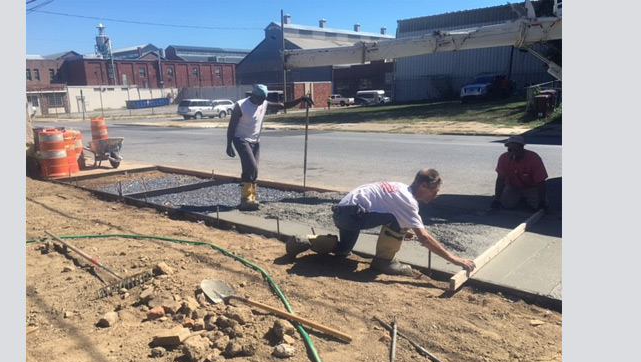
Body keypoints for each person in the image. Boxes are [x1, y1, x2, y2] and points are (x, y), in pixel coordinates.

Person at [319, 169, 476, 276]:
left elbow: (380, 206)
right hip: (353, 216)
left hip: (342, 213)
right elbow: (424, 238)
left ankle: (307, 241)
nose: (436, 195)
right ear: (423, 185)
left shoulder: (399, 187)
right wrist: (455, 259)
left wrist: (400, 230)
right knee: (400, 219)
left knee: (342, 251)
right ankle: (384, 261)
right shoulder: (407, 202)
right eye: (434, 191)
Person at [226, 84, 313, 210]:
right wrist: (229, 144)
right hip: (241, 139)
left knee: (252, 170)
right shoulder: (241, 106)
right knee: (251, 166)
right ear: (254, 95)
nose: (262, 101)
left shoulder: (263, 103)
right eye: (260, 98)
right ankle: (245, 199)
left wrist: (300, 99)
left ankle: (249, 199)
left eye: (263, 99)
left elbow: (283, 105)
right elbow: (231, 126)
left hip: (255, 141)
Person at [492, 136, 548, 211]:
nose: (513, 152)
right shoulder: (503, 158)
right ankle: (518, 198)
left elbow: (540, 182)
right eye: (510, 150)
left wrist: (542, 202)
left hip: (531, 187)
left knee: (543, 207)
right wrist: (497, 199)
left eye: (516, 149)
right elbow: (500, 179)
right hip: (513, 187)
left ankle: (528, 199)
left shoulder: (534, 158)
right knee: (506, 204)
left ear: (522, 148)